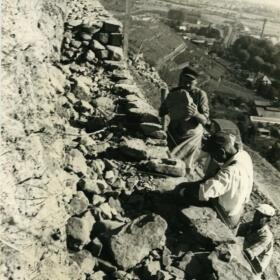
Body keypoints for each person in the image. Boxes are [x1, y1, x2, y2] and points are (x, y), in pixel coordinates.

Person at [198, 131, 254, 228]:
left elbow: (204, 192)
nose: (213, 158)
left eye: (213, 154)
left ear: (221, 152)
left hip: (226, 216)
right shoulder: (243, 155)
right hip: (238, 210)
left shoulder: (230, 171)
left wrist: (183, 188)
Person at [159, 67, 209, 174]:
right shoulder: (175, 92)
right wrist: (170, 104)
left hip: (190, 137)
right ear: (180, 79)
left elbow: (205, 121)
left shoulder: (200, 95)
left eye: (190, 82)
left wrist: (196, 114)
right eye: (184, 81)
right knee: (167, 160)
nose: (186, 85)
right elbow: (161, 112)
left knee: (185, 167)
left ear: (196, 82)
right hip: (174, 132)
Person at [242, 204, 275, 278]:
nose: (256, 217)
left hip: (256, 266)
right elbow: (235, 231)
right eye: (256, 214)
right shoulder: (252, 225)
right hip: (246, 256)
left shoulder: (266, 236)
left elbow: (249, 254)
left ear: (268, 220)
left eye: (260, 216)